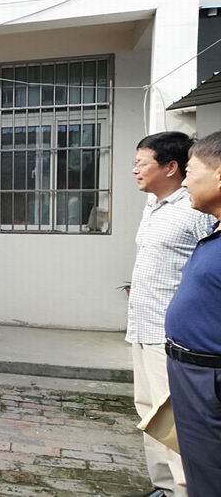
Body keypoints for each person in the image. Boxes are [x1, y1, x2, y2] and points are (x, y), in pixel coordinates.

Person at [127, 132, 213, 497]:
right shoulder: (153, 205)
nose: (135, 170)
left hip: (172, 337)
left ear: (170, 167)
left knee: (177, 420)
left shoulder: (194, 211)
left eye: (141, 163)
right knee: (150, 413)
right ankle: (162, 486)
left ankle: (185, 489)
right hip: (142, 327)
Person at [163, 130, 221, 496]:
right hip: (194, 374)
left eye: (191, 171)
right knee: (202, 470)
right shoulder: (215, 231)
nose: (184, 182)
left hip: (210, 380)